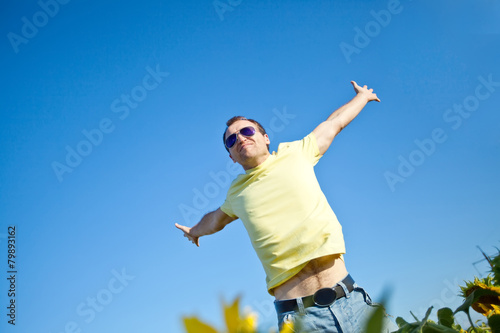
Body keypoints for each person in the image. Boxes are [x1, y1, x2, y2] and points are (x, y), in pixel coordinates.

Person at [175, 81, 397, 332]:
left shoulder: (296, 153)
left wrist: (363, 97)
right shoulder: (236, 193)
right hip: (302, 321)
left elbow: (333, 124)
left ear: (265, 137)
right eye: (231, 140)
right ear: (231, 156)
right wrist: (194, 231)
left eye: (247, 131)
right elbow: (215, 220)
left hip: (353, 302)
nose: (240, 139)